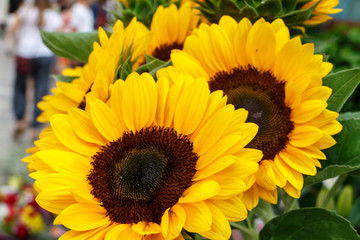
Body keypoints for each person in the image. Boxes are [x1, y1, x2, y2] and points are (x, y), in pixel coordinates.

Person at [9, 0, 63, 139]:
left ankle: (20, 119)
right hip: (44, 54)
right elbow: (57, 40)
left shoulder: (26, 11)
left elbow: (12, 29)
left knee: (20, 87)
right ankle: (35, 126)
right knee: (41, 88)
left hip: (24, 53)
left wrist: (18, 42)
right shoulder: (54, 15)